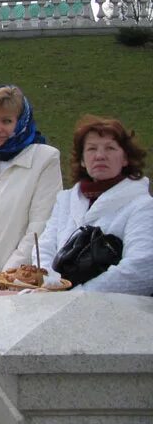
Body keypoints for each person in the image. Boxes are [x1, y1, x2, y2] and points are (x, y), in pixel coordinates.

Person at [38, 116, 153, 294]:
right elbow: (46, 247)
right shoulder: (66, 201)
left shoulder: (143, 206)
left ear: (125, 158)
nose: (100, 156)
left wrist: (76, 297)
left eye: (110, 148)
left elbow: (140, 269)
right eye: (91, 149)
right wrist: (51, 286)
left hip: (116, 312)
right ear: (83, 160)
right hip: (53, 303)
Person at [0, 86, 62, 277]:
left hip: (20, 281)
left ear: (21, 122)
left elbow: (39, 228)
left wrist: (6, 277)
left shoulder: (45, 160)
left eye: (6, 121)